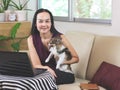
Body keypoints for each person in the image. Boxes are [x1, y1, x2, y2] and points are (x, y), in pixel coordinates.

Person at [27, 8, 79, 85]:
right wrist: (47, 68)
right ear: (35, 23)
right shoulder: (31, 39)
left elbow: (76, 58)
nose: (44, 24)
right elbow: (36, 64)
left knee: (39, 80)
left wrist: (61, 61)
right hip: (44, 71)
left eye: (47, 21)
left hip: (62, 72)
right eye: (40, 21)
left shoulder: (60, 37)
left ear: (51, 23)